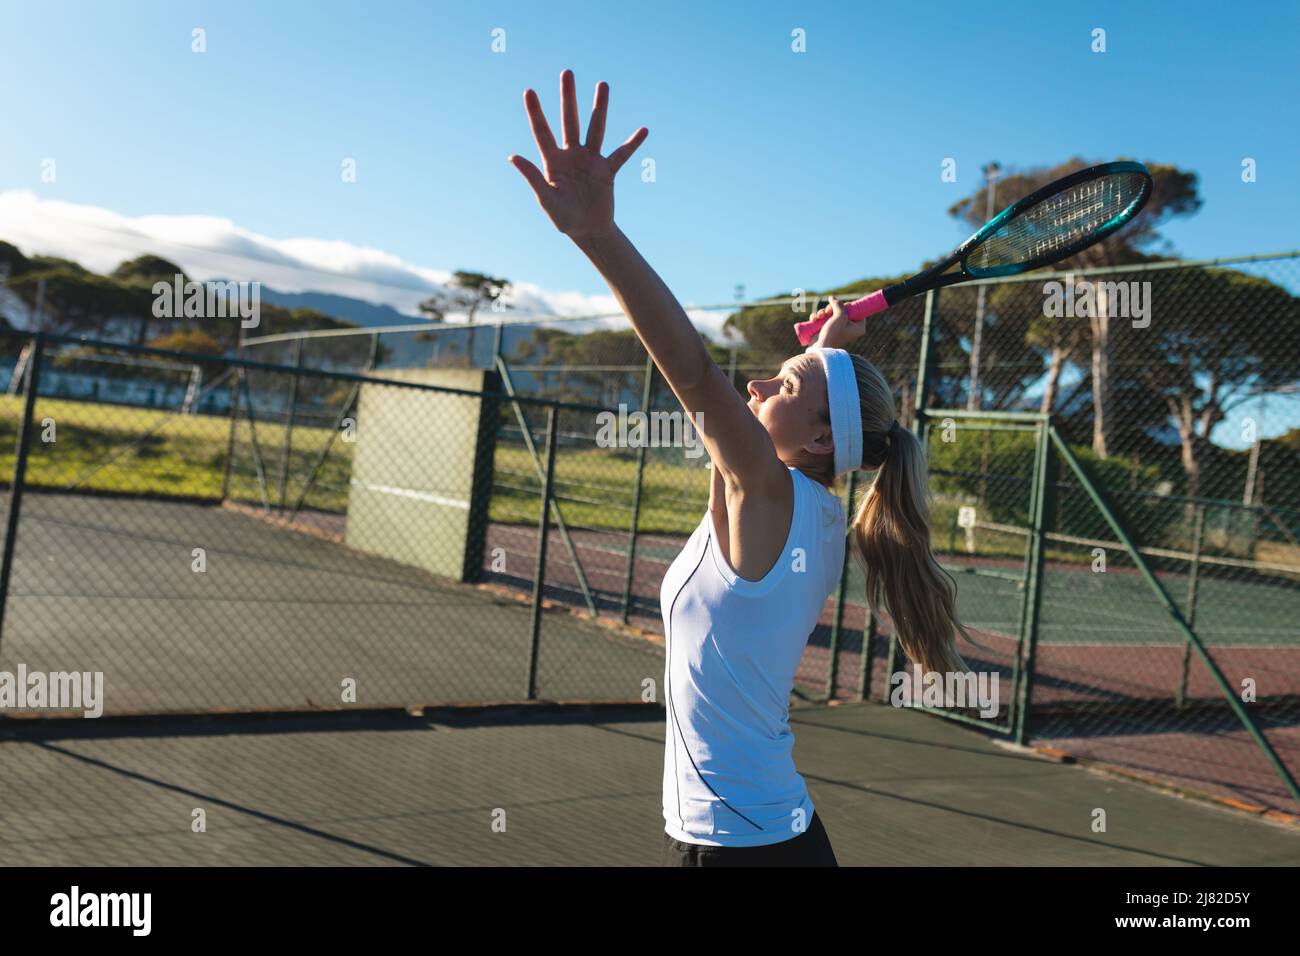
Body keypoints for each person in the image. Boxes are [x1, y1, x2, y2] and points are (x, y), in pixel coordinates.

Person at [509, 70, 978, 867]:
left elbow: (694, 375)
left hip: (736, 851)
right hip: (772, 837)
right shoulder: (820, 509)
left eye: (783, 383)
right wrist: (825, 353)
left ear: (825, 439)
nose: (758, 384)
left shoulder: (765, 490)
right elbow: (805, 405)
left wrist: (595, 235)